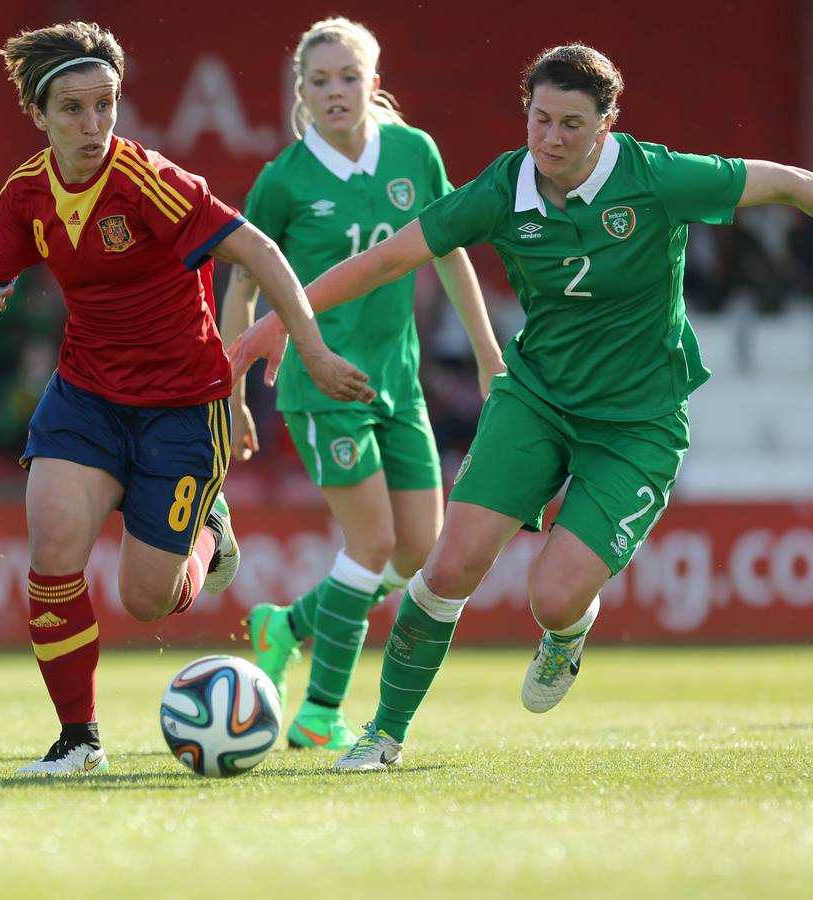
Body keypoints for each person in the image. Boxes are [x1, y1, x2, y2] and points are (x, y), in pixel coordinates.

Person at [229, 43, 813, 770]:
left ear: (606, 124)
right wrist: (276, 319)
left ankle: (565, 636)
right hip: (534, 398)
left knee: (553, 597)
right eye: (539, 119)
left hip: (636, 425)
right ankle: (383, 736)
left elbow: (789, 182)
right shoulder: (502, 189)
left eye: (571, 124)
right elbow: (384, 259)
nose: (550, 139)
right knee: (446, 569)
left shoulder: (655, 176)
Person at [0, 20, 374, 777]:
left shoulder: (148, 180)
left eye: (105, 106)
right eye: (73, 110)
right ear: (40, 116)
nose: (93, 125)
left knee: (147, 599)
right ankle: (78, 740)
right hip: (85, 396)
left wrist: (309, 347)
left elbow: (258, 249)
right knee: (51, 553)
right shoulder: (25, 192)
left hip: (184, 405)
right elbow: (1, 264)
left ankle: (209, 534)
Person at [221, 17, 503, 751]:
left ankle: (284, 627)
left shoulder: (414, 153)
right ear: (301, 93)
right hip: (318, 385)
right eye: (319, 81)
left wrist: (484, 353)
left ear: (373, 83)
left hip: (399, 383)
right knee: (371, 542)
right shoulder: (284, 179)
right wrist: (232, 385)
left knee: (419, 552)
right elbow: (242, 285)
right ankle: (319, 712)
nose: (335, 92)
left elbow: (449, 254)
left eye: (348, 77)